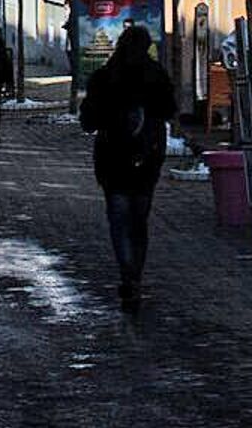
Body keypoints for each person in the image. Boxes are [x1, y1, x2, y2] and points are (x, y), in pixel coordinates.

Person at [78, 23, 176, 314]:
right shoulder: (156, 75)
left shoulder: (105, 76)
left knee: (119, 221)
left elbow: (88, 122)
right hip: (147, 159)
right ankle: (135, 276)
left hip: (113, 160)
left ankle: (128, 276)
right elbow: (170, 110)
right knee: (139, 222)